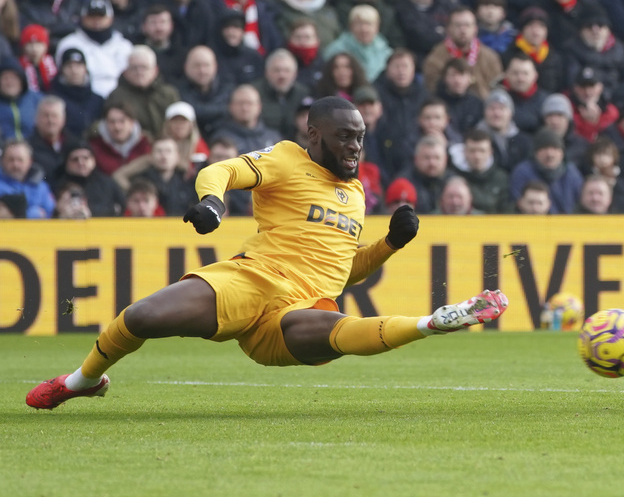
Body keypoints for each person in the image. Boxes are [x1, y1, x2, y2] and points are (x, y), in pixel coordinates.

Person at [26, 96, 509, 410]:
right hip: (252, 280)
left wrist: (389, 245)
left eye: (360, 137)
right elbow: (221, 170)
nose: (356, 147)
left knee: (335, 330)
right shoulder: (286, 158)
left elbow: (343, 272)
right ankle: (80, 381)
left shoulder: (356, 193)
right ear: (315, 135)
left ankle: (436, 321)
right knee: (142, 317)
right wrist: (213, 202)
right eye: (346, 136)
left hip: (299, 311)